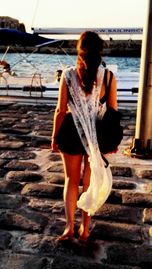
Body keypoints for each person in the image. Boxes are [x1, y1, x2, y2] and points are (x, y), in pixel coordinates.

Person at [51, 31, 118, 242]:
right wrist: (113, 141)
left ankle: (69, 227)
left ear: (79, 51)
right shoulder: (108, 76)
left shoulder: (68, 75)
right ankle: (85, 229)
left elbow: (60, 111)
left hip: (71, 131)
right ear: (100, 51)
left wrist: (54, 137)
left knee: (71, 180)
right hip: (96, 135)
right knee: (90, 182)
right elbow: (113, 111)